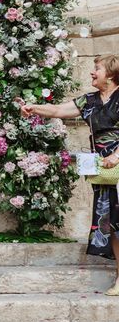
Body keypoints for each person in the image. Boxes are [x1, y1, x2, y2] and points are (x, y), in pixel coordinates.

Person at [20, 54, 119, 296]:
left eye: (97, 69)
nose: (92, 73)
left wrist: (117, 155)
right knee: (114, 223)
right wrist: (34, 108)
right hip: (104, 171)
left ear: (112, 74)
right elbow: (57, 109)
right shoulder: (90, 101)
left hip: (116, 162)